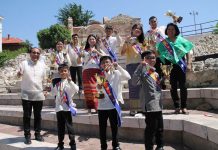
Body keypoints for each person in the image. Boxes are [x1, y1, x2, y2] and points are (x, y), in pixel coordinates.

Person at [156, 23, 193, 114]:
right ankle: (176, 106)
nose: (170, 31)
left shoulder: (181, 40)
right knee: (173, 87)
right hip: (168, 66)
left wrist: (189, 63)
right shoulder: (163, 42)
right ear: (166, 31)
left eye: (172, 29)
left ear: (176, 30)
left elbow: (188, 52)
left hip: (180, 65)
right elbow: (158, 54)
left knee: (183, 86)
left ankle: (184, 107)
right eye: (169, 29)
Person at [97, 55, 131, 150]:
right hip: (102, 106)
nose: (105, 64)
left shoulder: (117, 73)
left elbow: (128, 77)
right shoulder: (100, 76)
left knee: (114, 127)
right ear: (101, 65)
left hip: (113, 105)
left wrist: (118, 66)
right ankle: (103, 146)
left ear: (111, 63)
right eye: (103, 63)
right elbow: (98, 92)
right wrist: (98, 88)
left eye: (107, 62)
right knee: (102, 128)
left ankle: (115, 145)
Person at [132, 50, 164, 150]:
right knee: (151, 129)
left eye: (154, 57)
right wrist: (139, 66)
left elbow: (157, 87)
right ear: (144, 60)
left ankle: (160, 146)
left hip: (158, 103)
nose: (152, 59)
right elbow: (134, 82)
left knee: (160, 128)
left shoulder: (155, 72)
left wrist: (164, 78)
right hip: (149, 104)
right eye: (149, 58)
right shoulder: (142, 70)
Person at [17, 47, 46, 144]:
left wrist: (46, 88)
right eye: (34, 52)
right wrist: (19, 73)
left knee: (38, 116)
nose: (36, 55)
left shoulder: (42, 65)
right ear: (30, 54)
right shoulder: (24, 64)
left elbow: (45, 79)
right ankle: (27, 136)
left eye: (38, 53)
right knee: (27, 116)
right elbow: (18, 74)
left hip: (38, 93)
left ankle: (37, 134)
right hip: (26, 94)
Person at [48, 64, 79, 150]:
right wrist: (49, 88)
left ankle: (73, 144)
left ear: (68, 72)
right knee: (60, 127)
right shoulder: (57, 83)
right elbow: (53, 93)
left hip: (67, 108)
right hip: (59, 108)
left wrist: (70, 81)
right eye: (61, 71)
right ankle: (60, 144)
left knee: (70, 127)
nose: (63, 72)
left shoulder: (70, 82)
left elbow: (76, 89)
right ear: (59, 72)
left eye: (65, 71)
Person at [121, 23, 147, 116]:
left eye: (139, 29)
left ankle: (142, 107)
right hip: (131, 65)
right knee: (133, 86)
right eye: (135, 28)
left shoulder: (143, 41)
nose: (137, 30)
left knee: (142, 87)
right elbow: (122, 52)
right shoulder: (128, 40)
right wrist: (126, 42)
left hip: (142, 65)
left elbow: (145, 53)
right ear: (132, 30)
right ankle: (134, 109)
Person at [81, 34, 105, 113]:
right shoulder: (84, 50)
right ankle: (92, 106)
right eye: (90, 39)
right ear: (88, 41)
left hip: (98, 70)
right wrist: (89, 53)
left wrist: (97, 52)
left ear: (95, 41)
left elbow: (106, 57)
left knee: (100, 88)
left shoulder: (99, 49)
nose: (92, 40)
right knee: (90, 89)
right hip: (87, 71)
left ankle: (100, 105)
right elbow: (81, 61)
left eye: (93, 39)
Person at [144, 16, 166, 89]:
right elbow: (145, 45)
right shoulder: (147, 33)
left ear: (157, 22)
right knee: (156, 72)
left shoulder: (162, 29)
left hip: (163, 54)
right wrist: (150, 45)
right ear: (149, 23)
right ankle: (157, 87)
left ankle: (163, 85)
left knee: (165, 72)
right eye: (152, 22)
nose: (153, 23)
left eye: (154, 21)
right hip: (153, 56)